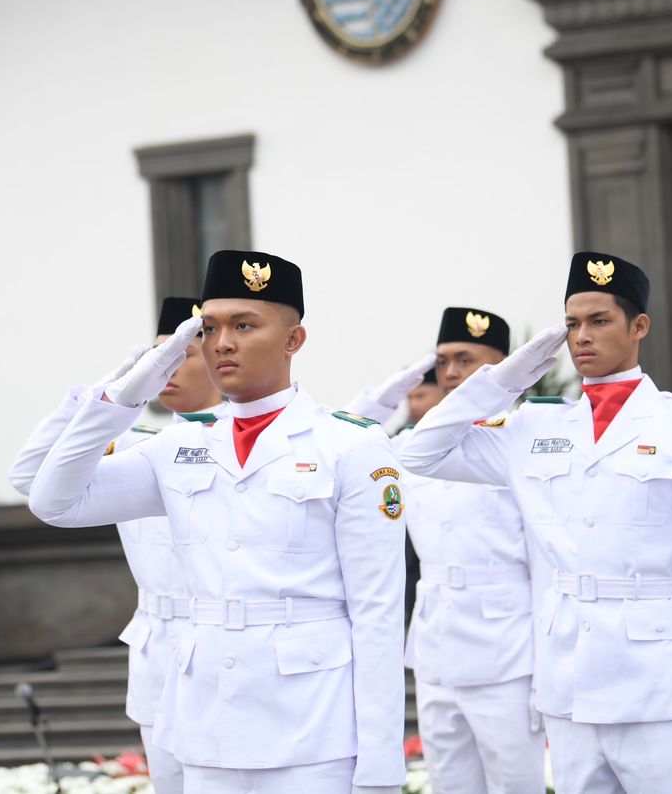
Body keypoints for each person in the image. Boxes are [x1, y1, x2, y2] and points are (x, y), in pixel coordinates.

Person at [30, 250, 407, 794]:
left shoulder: (350, 445)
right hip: (208, 725)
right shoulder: (180, 443)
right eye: (208, 328)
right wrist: (127, 394)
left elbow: (376, 613)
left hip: (313, 732)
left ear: (293, 340)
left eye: (244, 325)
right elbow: (55, 501)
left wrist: (379, 767)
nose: (222, 342)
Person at [399, 252, 672, 794]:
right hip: (569, 681)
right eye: (571, 324)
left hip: (659, 683)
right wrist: (504, 378)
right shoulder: (535, 426)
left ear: (639, 327)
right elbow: (420, 454)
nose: (581, 336)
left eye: (598, 321)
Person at [10, 296, 223, 794]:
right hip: (158, 644)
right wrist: (110, 390)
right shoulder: (136, 444)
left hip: (222, 633)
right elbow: (27, 476)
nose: (166, 367)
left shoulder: (246, 439)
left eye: (180, 353)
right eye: (159, 355)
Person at [349, 308, 546, 794]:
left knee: (516, 784)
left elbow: (547, 558)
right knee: (449, 784)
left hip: (510, 650)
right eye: (443, 362)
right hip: (437, 645)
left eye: (466, 360)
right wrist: (388, 392)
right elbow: (346, 434)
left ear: (504, 367)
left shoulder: (528, 438)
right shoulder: (412, 445)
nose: (453, 373)